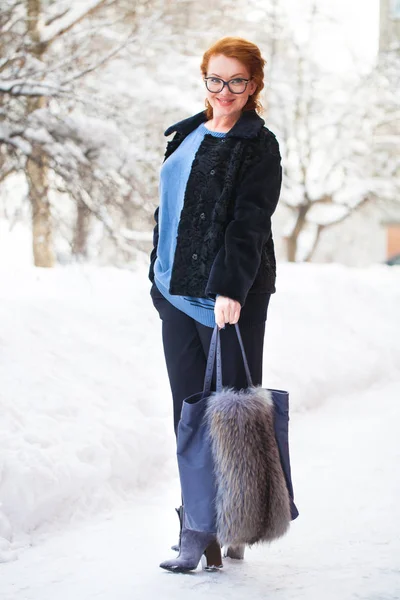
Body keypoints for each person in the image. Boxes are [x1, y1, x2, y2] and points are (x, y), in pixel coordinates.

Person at [149, 36, 282, 573]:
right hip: (175, 294)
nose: (224, 91)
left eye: (237, 81)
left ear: (254, 85)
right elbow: (169, 209)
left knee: (231, 413)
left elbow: (249, 223)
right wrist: (156, 284)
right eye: (215, 79)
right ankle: (196, 525)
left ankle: (237, 519)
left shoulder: (258, 144)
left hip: (230, 296)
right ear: (203, 78)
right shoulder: (185, 135)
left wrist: (230, 289)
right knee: (188, 412)